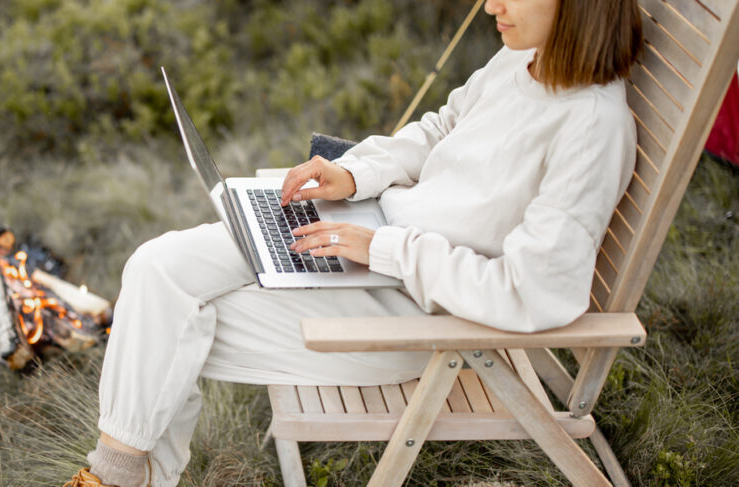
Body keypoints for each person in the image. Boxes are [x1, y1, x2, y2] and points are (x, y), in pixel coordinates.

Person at [66, 0, 643, 485]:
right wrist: (358, 173)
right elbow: (444, 128)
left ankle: (113, 476)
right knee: (154, 270)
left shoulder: (591, 128)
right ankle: (119, 474)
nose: (492, 4)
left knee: (163, 324)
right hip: (370, 239)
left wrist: (382, 249)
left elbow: (534, 292)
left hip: (414, 315)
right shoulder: (525, 56)